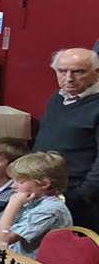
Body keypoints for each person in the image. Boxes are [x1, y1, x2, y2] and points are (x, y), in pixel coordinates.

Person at [32, 48, 99, 229]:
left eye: (78, 72)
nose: (69, 78)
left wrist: (84, 194)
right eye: (62, 71)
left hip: (78, 197)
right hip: (43, 190)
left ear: (96, 73)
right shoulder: (57, 98)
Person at [0, 152, 73, 258]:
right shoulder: (33, 202)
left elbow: (0, 242)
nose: (14, 186)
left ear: (44, 184)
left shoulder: (50, 209)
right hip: (14, 259)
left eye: (21, 181)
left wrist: (13, 206)